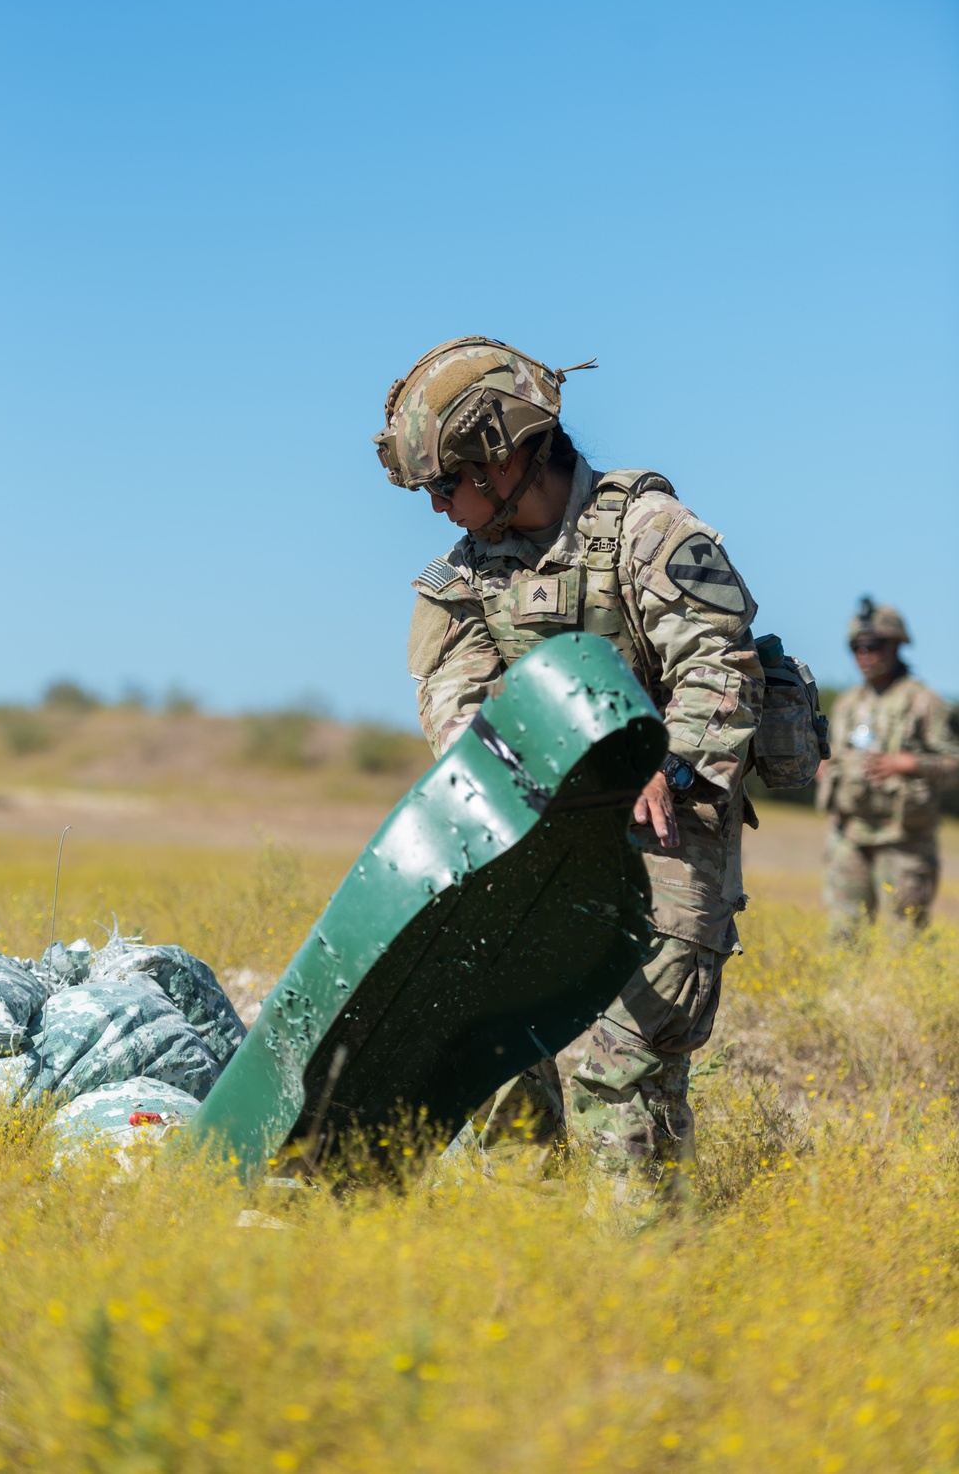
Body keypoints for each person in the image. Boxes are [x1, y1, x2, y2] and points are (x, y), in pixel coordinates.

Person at [374, 336, 764, 1192]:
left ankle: (646, 1288)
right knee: (493, 1059)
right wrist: (510, 789)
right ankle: (538, 1272)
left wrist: (677, 767)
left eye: (447, 484)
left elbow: (717, 666)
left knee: (623, 1076)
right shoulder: (461, 578)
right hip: (542, 828)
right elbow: (455, 700)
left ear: (505, 454)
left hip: (672, 821)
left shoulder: (648, 532)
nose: (439, 507)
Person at [817, 599, 959, 936]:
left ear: (896, 645)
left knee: (905, 936)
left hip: (904, 838)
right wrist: (825, 764)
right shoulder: (849, 703)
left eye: (873, 646)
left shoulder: (926, 702)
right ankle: (845, 991)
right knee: (843, 933)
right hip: (849, 834)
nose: (863, 654)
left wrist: (911, 763)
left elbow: (955, 762)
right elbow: (834, 753)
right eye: (856, 646)